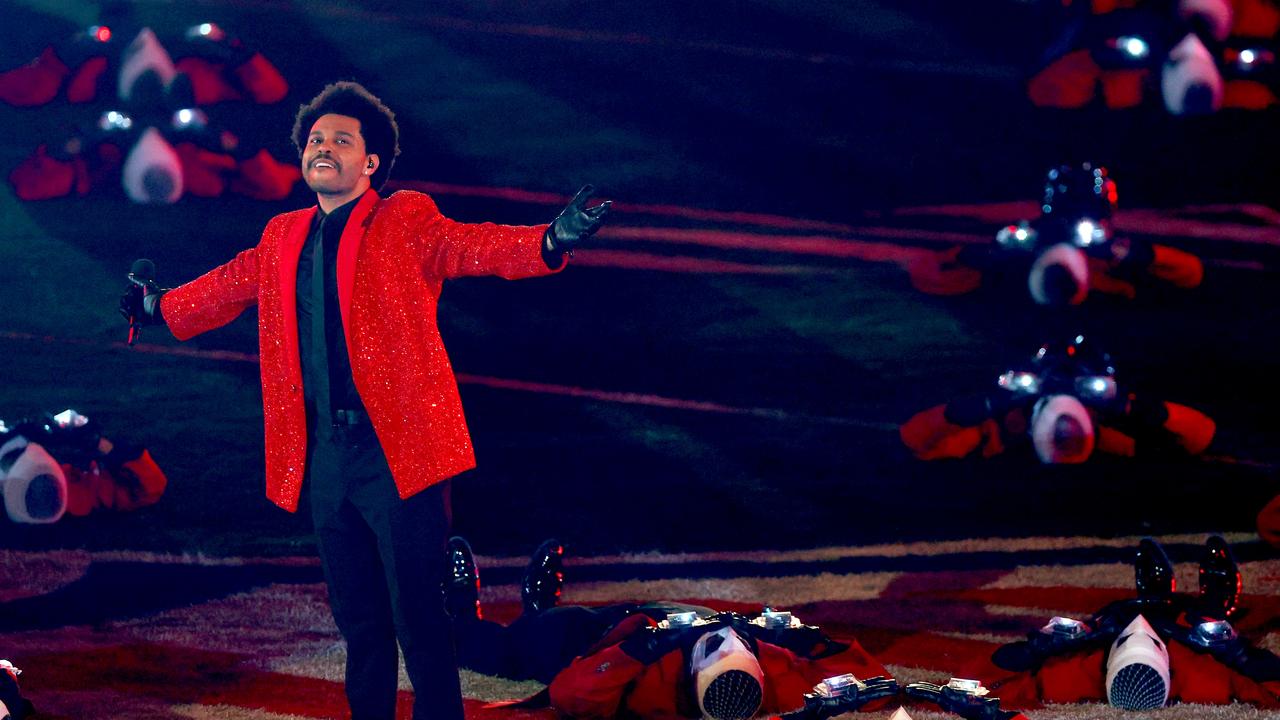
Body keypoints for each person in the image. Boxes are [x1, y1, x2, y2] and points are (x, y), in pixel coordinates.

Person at [118, 80, 611, 720]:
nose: (324, 147)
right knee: (361, 625)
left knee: (421, 623)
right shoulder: (282, 235)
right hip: (326, 457)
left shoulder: (404, 219)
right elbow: (227, 286)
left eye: (341, 140)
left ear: (370, 162)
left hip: (398, 456)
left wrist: (549, 241)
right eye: (316, 139)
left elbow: (470, 245)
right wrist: (158, 305)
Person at [444, 537, 895, 720]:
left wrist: (642, 648)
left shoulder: (656, 695)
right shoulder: (775, 673)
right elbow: (877, 682)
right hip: (647, 614)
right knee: (551, 625)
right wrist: (809, 638)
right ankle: (538, 610)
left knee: (513, 647)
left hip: (601, 643)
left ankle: (463, 615)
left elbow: (570, 693)